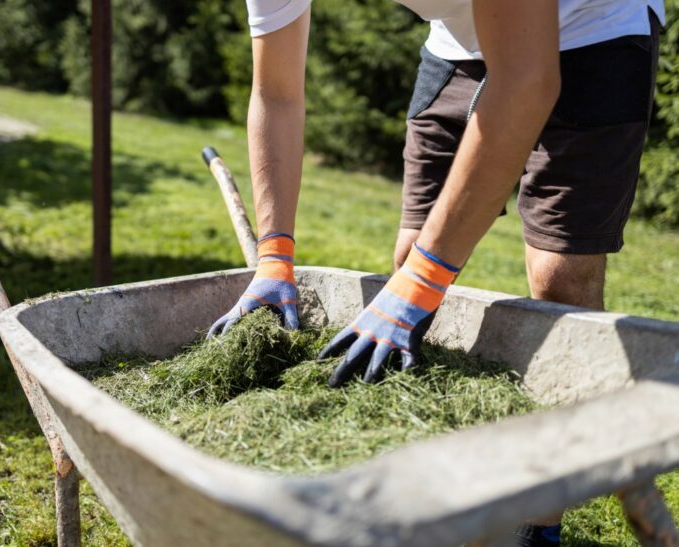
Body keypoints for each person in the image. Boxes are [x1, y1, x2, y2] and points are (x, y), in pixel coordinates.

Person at [208, 1, 664, 544]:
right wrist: (274, 255)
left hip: (594, 28)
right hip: (459, 46)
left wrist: (424, 281)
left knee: (557, 279)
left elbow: (527, 79)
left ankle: (537, 525)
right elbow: (277, 92)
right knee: (410, 256)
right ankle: (433, 476)